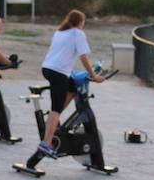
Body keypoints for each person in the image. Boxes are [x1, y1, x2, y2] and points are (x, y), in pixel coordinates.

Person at [37, 10, 104, 158]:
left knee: (72, 88)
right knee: (56, 108)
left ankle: (54, 120)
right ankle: (46, 143)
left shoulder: (60, 32)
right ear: (81, 22)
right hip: (57, 73)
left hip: (48, 69)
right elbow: (83, 57)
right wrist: (94, 76)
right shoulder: (77, 33)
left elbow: (63, 54)